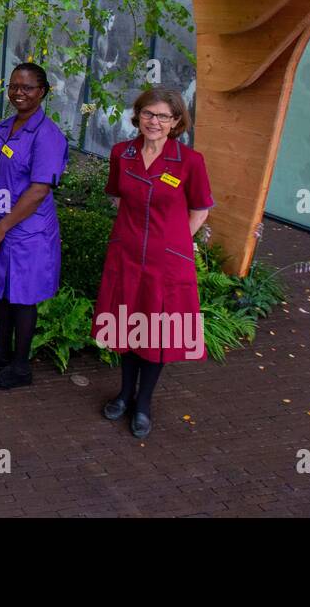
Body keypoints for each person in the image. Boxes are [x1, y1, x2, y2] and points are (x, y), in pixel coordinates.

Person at [93, 88, 214, 440]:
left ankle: (143, 403)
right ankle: (124, 394)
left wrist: (175, 243)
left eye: (163, 116)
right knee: (128, 326)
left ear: (176, 122)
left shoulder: (190, 162)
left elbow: (201, 210)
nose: (154, 122)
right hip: (126, 256)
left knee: (157, 333)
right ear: (138, 115)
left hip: (167, 263)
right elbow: (117, 197)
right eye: (148, 114)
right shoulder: (122, 155)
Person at [0, 63, 69, 390]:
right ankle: (1, 354)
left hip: (27, 232)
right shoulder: (3, 127)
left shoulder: (47, 135)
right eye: (14, 86)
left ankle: (21, 367)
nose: (18, 93)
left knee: (23, 298)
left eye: (27, 88)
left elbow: (39, 190)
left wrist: (2, 228)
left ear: (42, 92)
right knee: (3, 291)